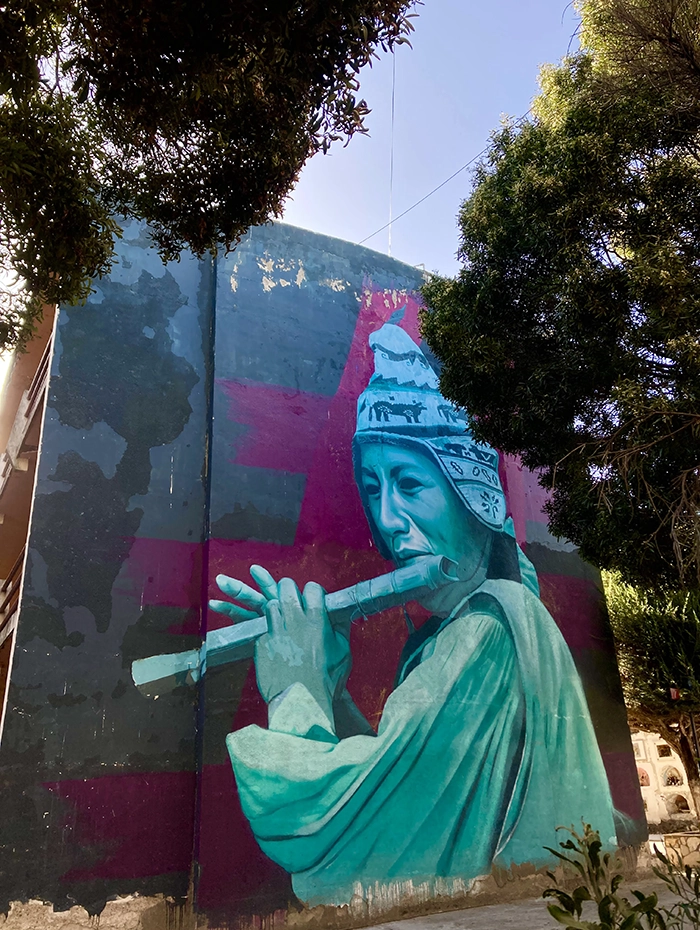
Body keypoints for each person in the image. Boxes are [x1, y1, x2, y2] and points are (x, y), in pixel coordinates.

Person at [212, 323, 617, 906]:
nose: (388, 518)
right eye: (374, 488)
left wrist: (294, 688)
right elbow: (406, 782)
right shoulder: (456, 635)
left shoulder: (486, 631)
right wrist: (332, 686)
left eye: (409, 484)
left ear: (468, 493)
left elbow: (338, 829)